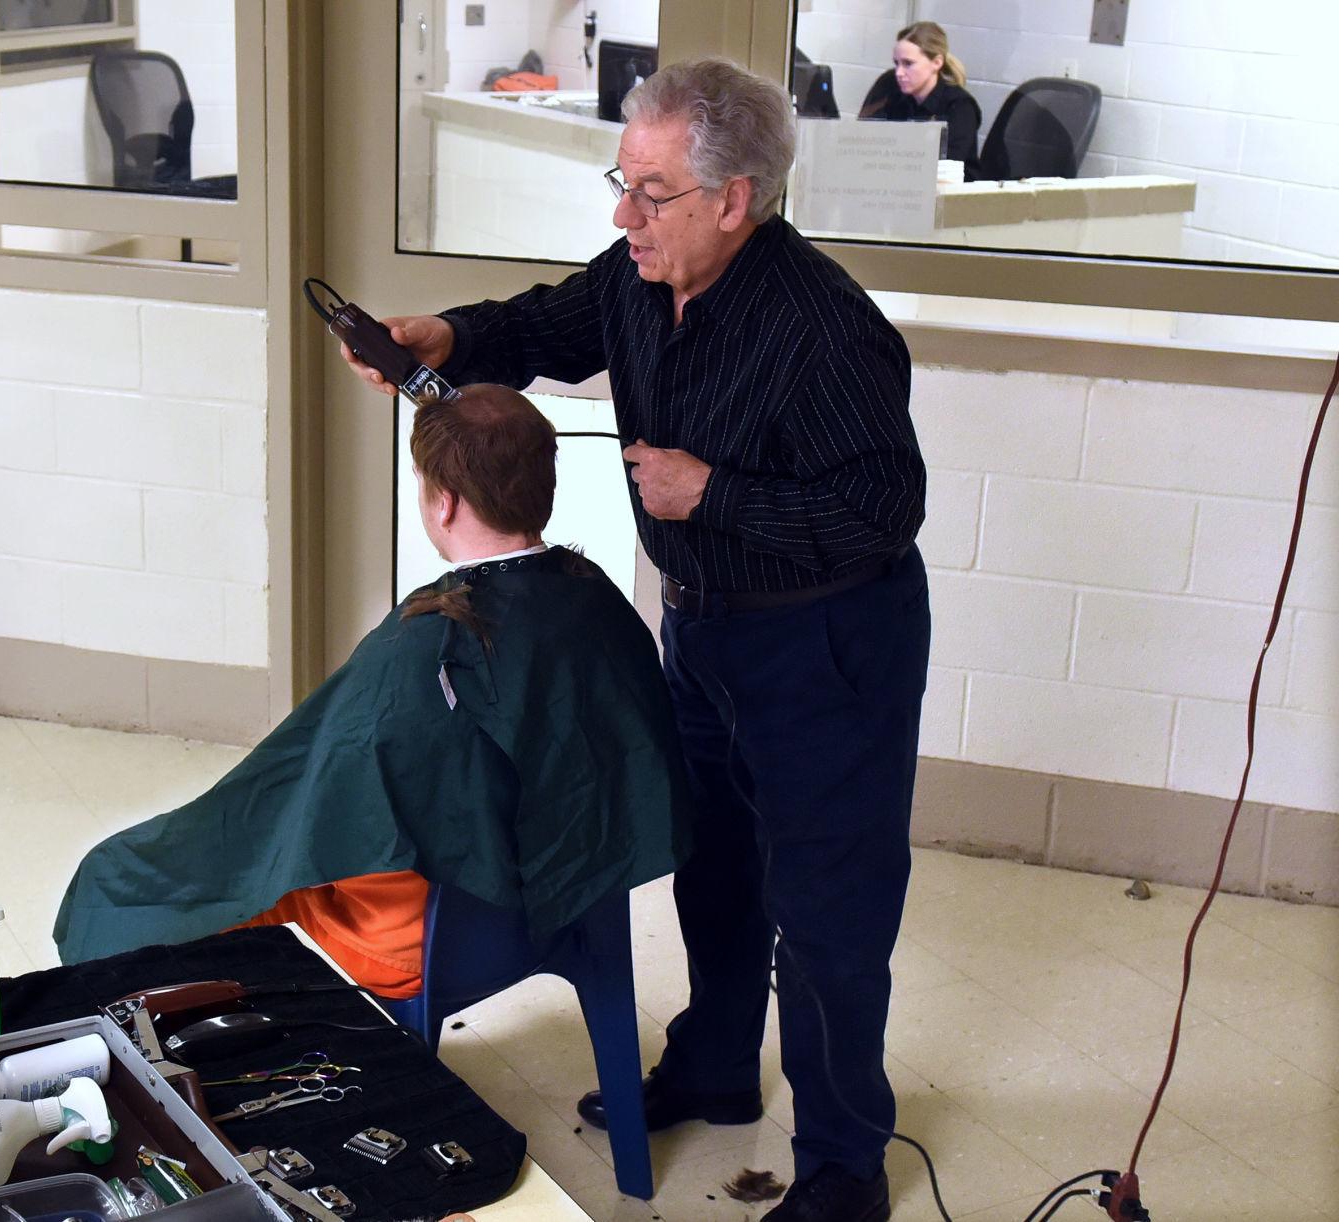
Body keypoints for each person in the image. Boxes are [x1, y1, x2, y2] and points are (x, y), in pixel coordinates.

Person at [340, 58, 930, 1222]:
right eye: (624, 181)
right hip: (705, 628)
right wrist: (446, 337)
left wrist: (713, 492)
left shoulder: (828, 332)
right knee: (710, 859)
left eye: (648, 193)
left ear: (733, 197)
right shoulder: (642, 274)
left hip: (827, 645)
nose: (623, 215)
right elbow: (556, 319)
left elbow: (881, 514)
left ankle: (844, 1161)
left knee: (826, 909)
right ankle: (714, 1064)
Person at [54, 384, 692, 1003]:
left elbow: (313, 800)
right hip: (576, 895)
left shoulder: (433, 643)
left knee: (140, 880)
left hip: (431, 944)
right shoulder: (594, 594)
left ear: (442, 501)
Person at [859, 21, 983, 181]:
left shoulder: (959, 106)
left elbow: (948, 168)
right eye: (897, 63)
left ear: (937, 63)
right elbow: (865, 142)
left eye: (908, 64)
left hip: (951, 196)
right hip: (900, 185)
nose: (898, 73)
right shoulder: (892, 92)